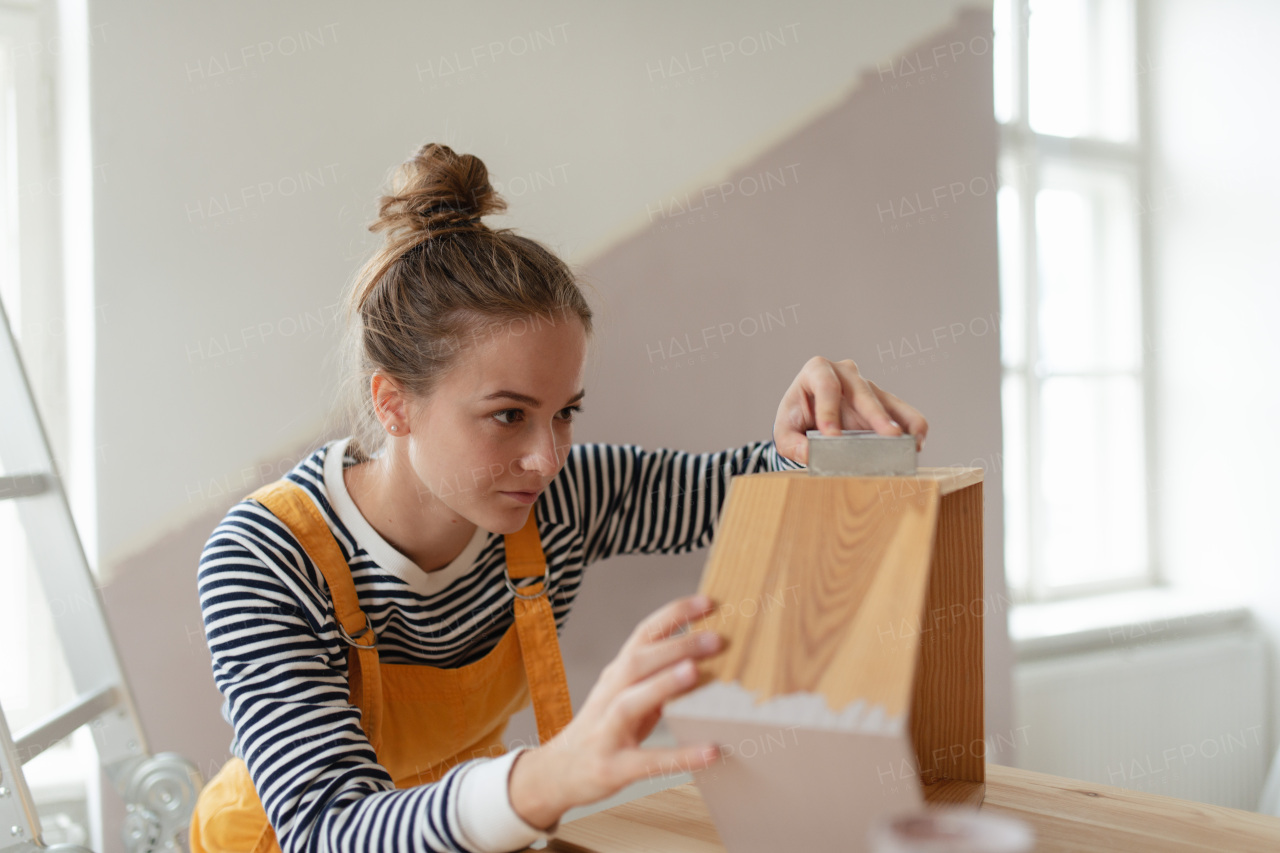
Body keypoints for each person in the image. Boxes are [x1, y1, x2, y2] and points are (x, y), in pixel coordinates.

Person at [187, 141, 927, 853]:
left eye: (565, 411)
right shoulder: (265, 557)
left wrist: (826, 440)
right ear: (393, 404)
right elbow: (326, 829)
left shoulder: (566, 498)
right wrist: (548, 776)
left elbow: (738, 491)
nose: (547, 458)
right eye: (508, 414)